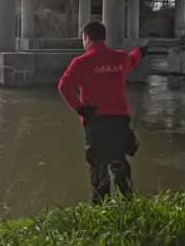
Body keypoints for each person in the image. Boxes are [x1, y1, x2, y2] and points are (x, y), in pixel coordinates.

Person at [58, 21, 145, 204]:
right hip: (119, 122)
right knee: (119, 162)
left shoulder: (81, 62)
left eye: (83, 39)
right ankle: (128, 204)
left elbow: (64, 87)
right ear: (104, 38)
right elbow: (132, 60)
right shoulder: (120, 58)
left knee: (98, 166)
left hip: (95, 120)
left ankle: (100, 208)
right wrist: (140, 52)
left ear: (87, 38)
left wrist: (80, 107)